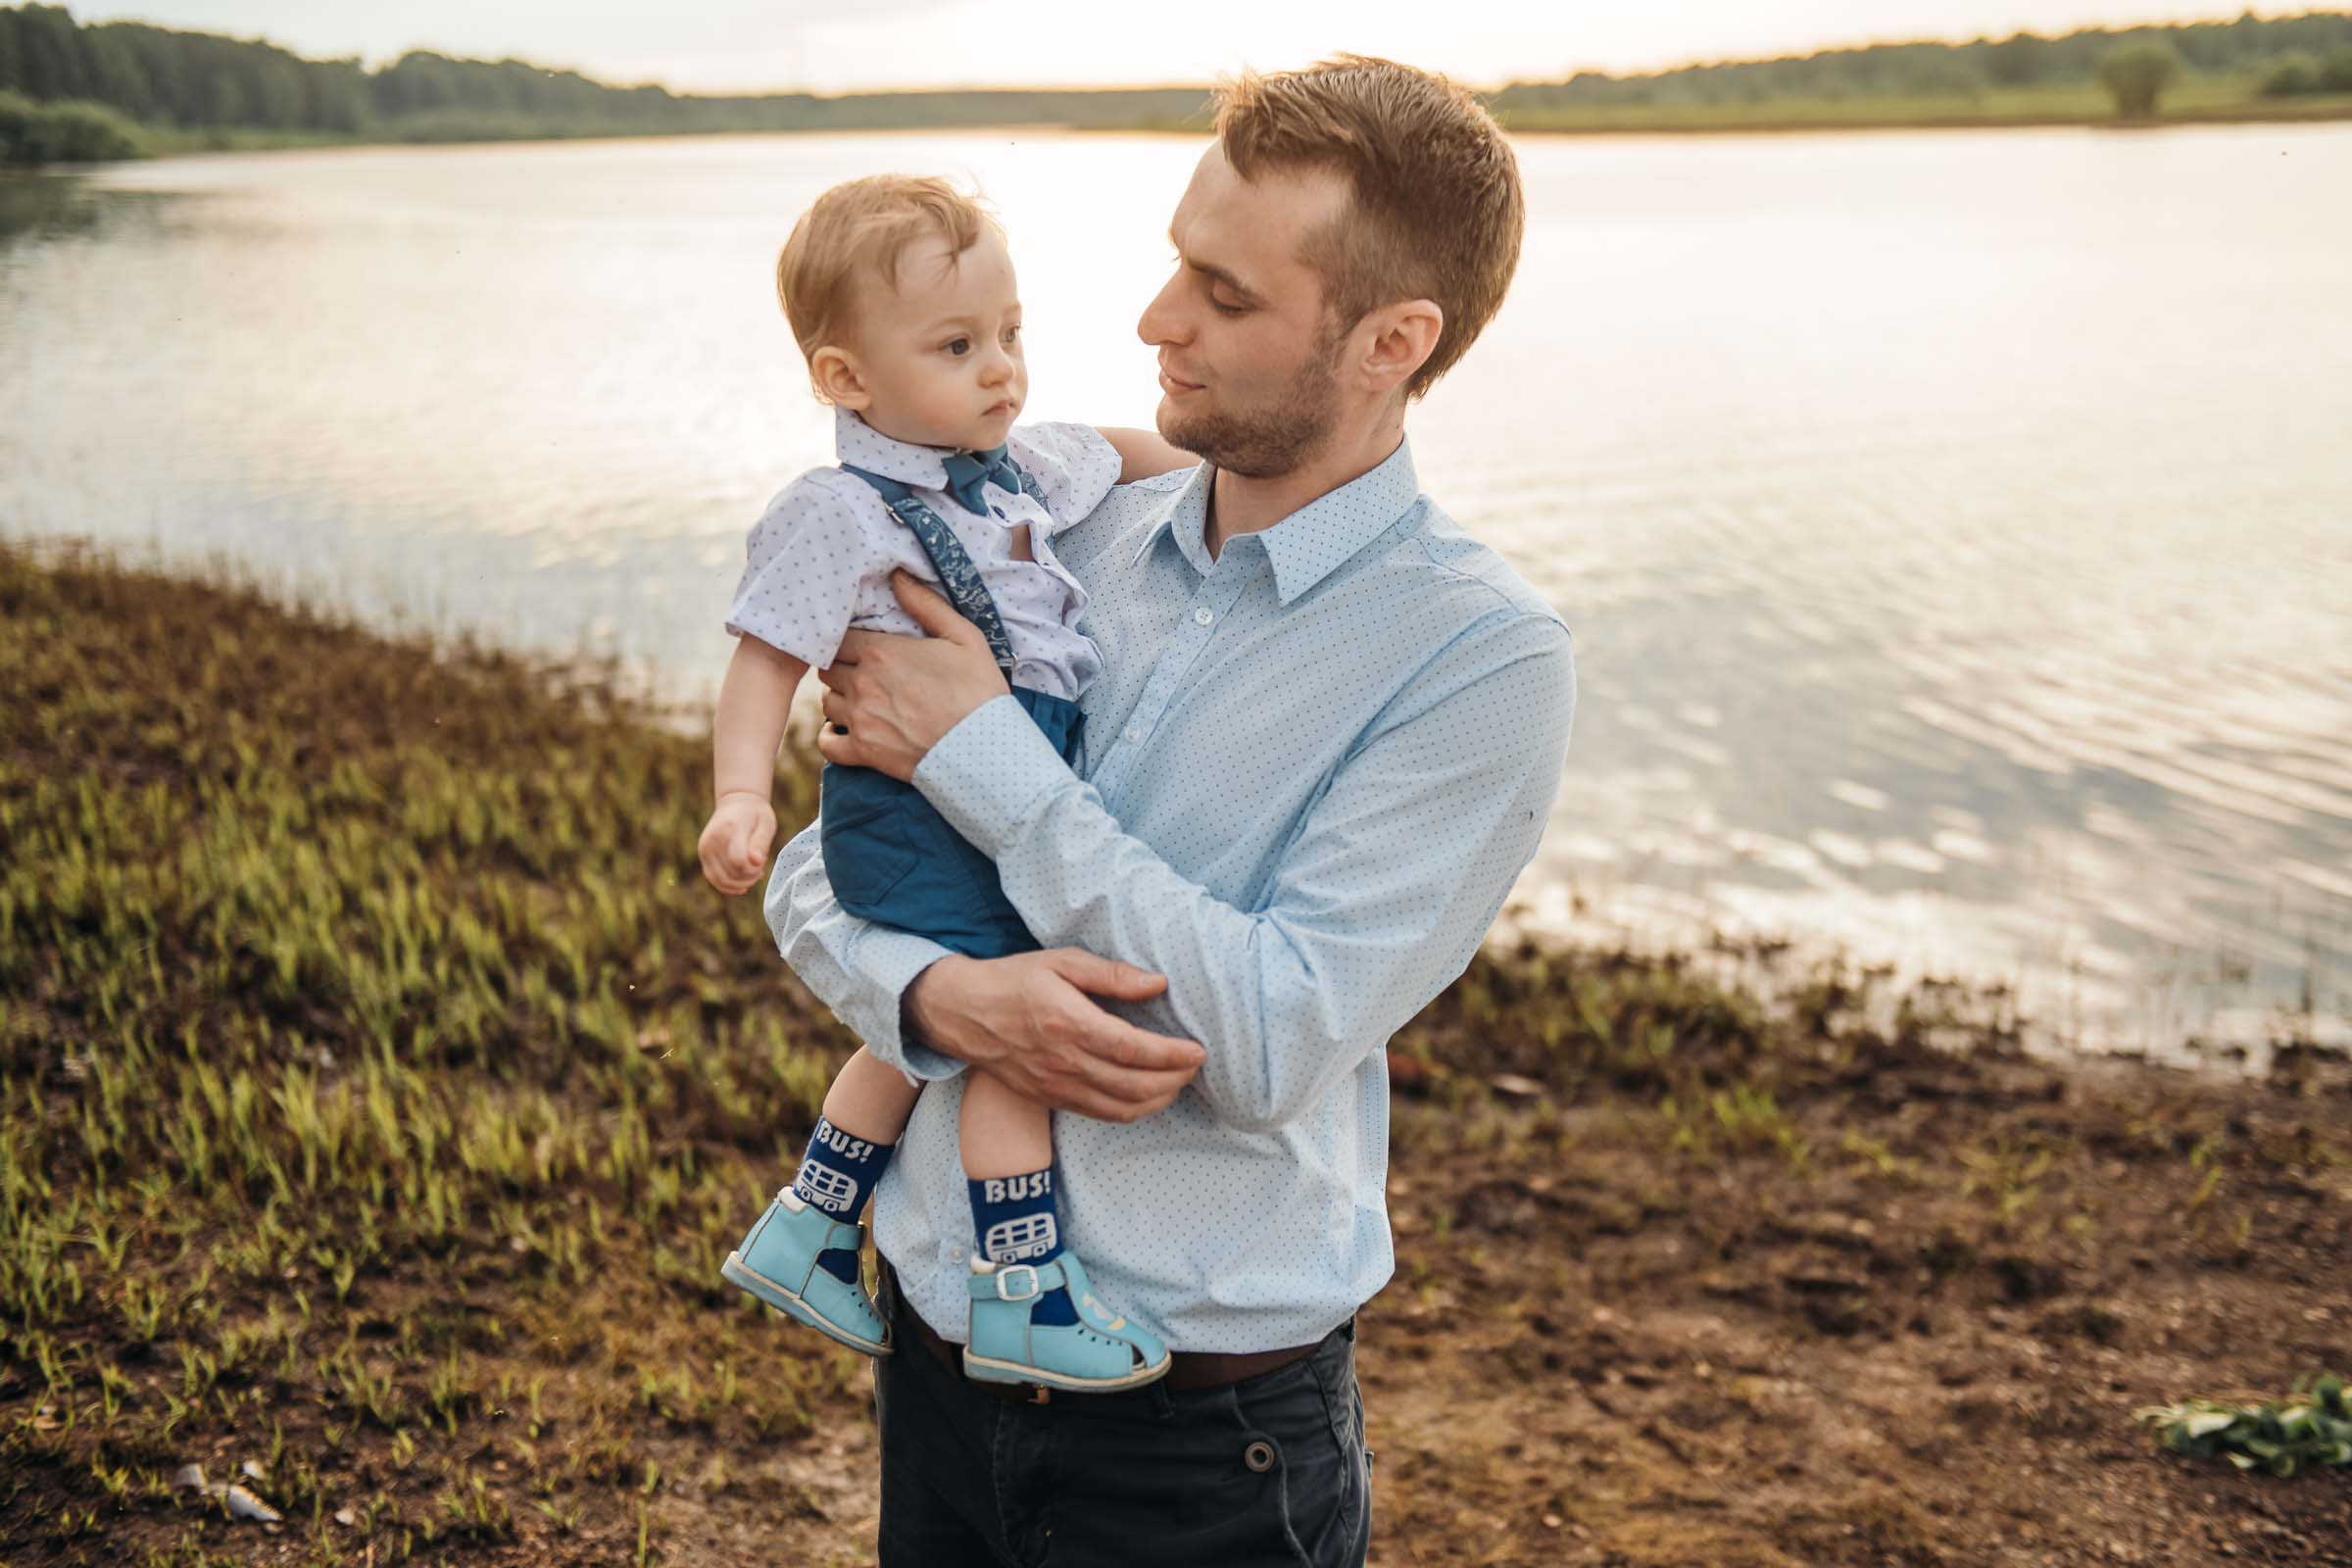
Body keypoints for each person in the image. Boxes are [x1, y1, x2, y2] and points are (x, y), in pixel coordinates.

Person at [770, 56, 1575, 1567]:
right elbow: (817, 874)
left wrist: (988, 757)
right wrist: (938, 997)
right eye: (1174, 264)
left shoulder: (1480, 658)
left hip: (1208, 1453)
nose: (1155, 321)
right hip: (930, 1371)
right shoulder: (1045, 535)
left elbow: (1267, 1041)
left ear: (1394, 343)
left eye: (1225, 293)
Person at [697, 172, 1193, 1391]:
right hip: (918, 806)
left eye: (1011, 333)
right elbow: (765, 657)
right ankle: (1018, 1295)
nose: (1001, 369)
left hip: (982, 786)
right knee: (1015, 1038)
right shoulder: (839, 510)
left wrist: (1224, 467)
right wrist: (743, 794)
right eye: (958, 346)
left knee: (925, 1027)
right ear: (847, 378)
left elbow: (1129, 452)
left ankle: (812, 1223)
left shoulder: (1018, 470)